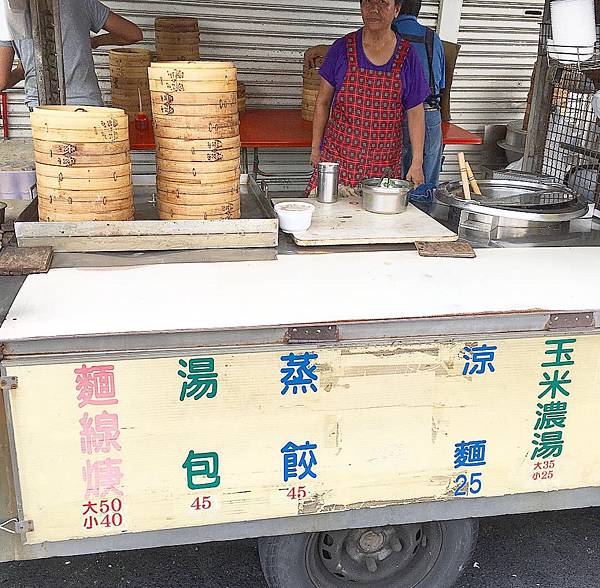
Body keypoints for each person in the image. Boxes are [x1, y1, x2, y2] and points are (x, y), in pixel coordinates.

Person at [307, 0, 429, 195]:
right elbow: (322, 102)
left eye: (383, 3)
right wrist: (315, 148)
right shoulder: (341, 48)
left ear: (396, 9)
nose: (374, 10)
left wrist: (417, 162)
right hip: (338, 158)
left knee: (379, 222)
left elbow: (415, 112)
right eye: (368, 3)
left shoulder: (408, 56)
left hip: (384, 166)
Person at [0, 0, 142, 109]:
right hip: (86, 106)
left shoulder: (9, 16)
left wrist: (20, 72)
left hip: (42, 112)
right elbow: (133, 34)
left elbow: (2, 81)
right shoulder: (80, 2)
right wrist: (95, 41)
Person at [394, 0, 445, 198]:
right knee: (424, 178)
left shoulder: (386, 35)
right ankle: (424, 218)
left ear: (395, 7)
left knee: (393, 180)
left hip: (393, 114)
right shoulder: (432, 38)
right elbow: (440, 83)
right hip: (429, 112)